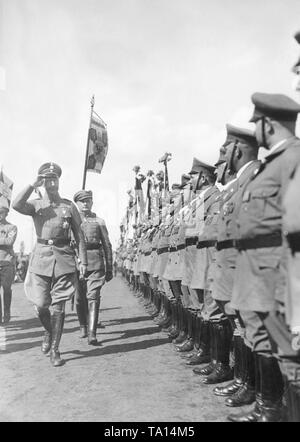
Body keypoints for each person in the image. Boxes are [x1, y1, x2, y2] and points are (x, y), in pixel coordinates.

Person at [228, 93, 300, 422]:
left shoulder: (292, 159)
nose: (254, 129)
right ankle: (270, 411)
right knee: (266, 345)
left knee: (290, 360)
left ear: (267, 124)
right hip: (259, 275)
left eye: (255, 122)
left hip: (278, 277)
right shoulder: (272, 164)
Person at [12, 162, 87, 367]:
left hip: (64, 259)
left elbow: (79, 235)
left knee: (58, 307)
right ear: (43, 182)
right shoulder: (36, 204)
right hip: (41, 260)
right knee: (41, 306)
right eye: (47, 179)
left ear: (59, 181)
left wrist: (83, 261)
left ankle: (55, 349)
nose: (51, 182)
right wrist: (31, 185)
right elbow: (16, 204)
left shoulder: (68, 206)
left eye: (54, 179)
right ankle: (48, 331)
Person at [73, 190, 113, 345]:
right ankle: (83, 326)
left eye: (88, 201)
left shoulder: (99, 221)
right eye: (82, 201)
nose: (85, 204)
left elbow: (107, 245)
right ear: (76, 203)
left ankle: (92, 333)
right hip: (76, 263)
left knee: (93, 297)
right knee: (78, 298)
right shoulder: (72, 221)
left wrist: (109, 268)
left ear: (92, 202)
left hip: (95, 261)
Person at [0, 204, 17, 324]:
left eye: (1, 213)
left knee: (6, 288)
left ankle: (7, 312)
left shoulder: (12, 227)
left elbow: (9, 241)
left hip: (7, 262)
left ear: (6, 213)